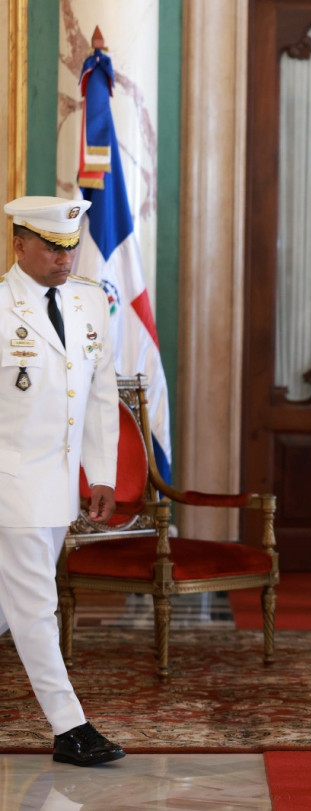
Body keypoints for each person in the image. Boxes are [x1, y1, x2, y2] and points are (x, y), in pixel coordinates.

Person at [0, 196, 124, 766]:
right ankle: (69, 727)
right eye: (51, 247)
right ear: (19, 243)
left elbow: (100, 393)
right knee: (35, 606)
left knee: (12, 607)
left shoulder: (89, 301)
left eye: (71, 247)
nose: (63, 258)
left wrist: (101, 472)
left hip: (58, 484)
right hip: (11, 481)